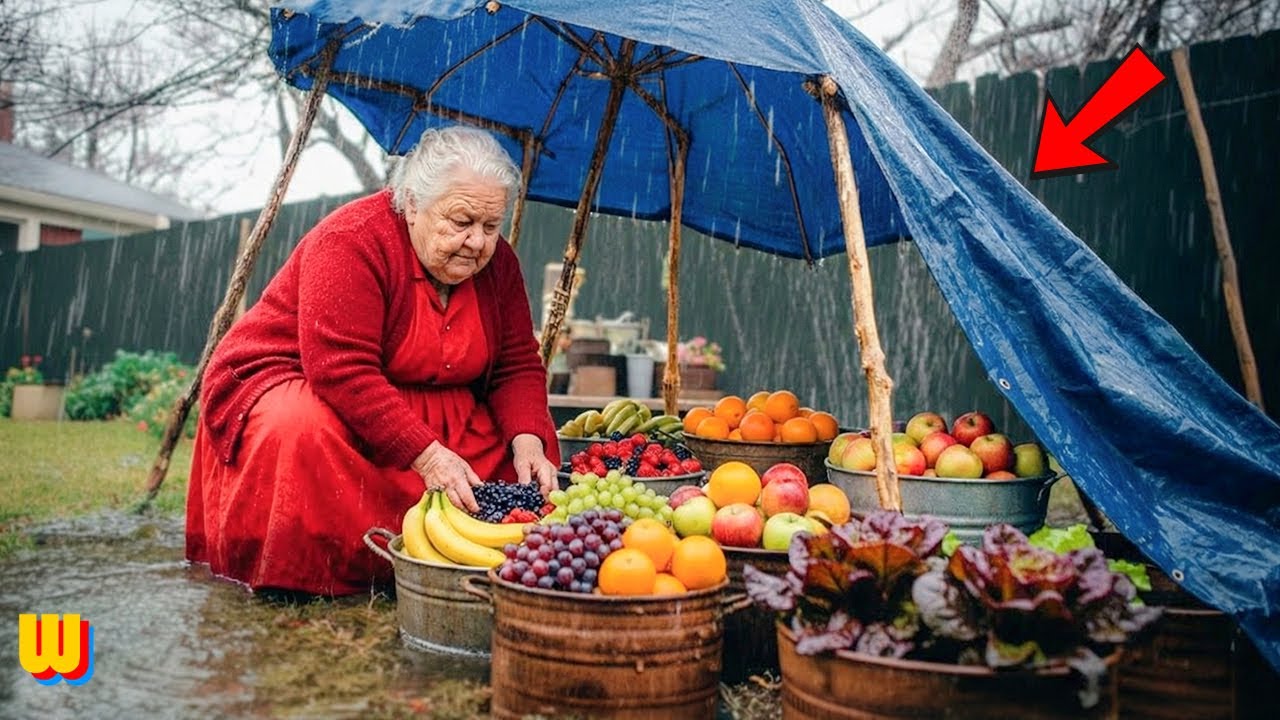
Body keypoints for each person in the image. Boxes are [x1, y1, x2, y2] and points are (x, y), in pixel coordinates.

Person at [186, 125, 560, 596]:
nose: (477, 242)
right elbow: (340, 369)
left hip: (426, 395)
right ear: (413, 204)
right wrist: (427, 455)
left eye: (490, 226)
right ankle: (310, 574)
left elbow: (517, 365)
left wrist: (528, 440)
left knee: (521, 450)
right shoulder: (351, 239)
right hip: (304, 378)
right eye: (461, 221)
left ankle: (469, 565)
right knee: (299, 429)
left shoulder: (498, 264)